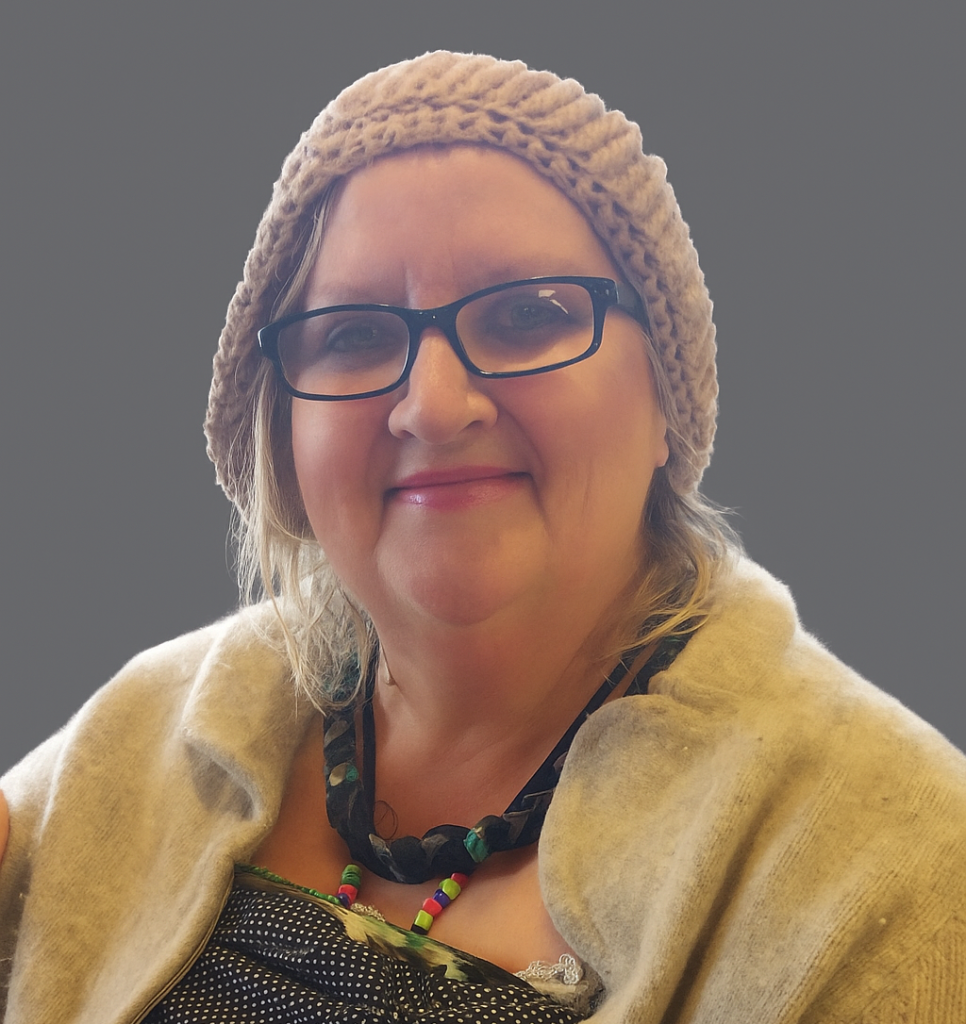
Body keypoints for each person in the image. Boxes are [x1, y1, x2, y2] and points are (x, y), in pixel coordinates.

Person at [1, 50, 964, 1023]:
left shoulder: (900, 870)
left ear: (667, 401)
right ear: (283, 436)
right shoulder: (137, 737)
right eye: (355, 334)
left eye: (527, 315)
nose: (433, 405)